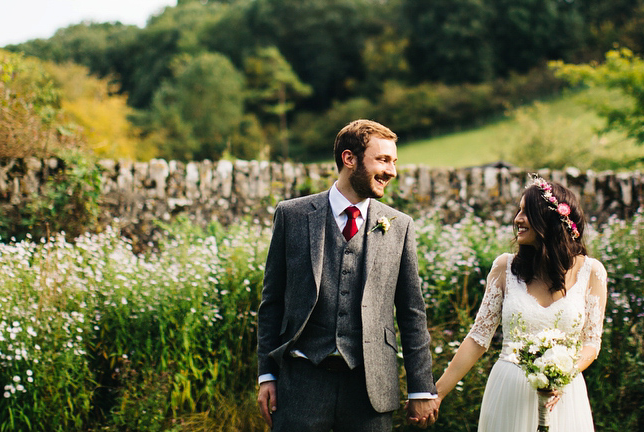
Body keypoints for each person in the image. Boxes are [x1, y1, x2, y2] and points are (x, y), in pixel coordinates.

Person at [256, 119, 440, 431]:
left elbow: (412, 312)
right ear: (349, 159)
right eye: (382, 160)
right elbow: (271, 302)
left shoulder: (400, 225)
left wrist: (421, 387)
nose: (392, 172)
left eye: (394, 162)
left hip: (370, 389)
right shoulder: (293, 215)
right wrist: (266, 374)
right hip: (301, 383)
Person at [434, 176, 607, 431]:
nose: (517, 219)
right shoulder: (505, 267)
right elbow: (478, 338)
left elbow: (591, 343)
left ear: (552, 219)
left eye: (528, 212)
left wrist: (563, 375)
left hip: (563, 396)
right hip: (509, 392)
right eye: (519, 211)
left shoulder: (591, 272)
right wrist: (436, 395)